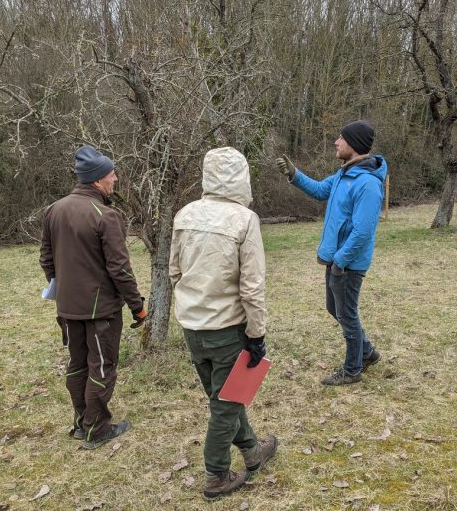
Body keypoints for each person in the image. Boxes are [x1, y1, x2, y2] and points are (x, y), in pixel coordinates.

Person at [169, 147, 278, 500]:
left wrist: (192, 306)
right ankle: (216, 476)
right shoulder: (244, 219)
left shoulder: (185, 214)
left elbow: (174, 272)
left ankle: (252, 450)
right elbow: (253, 286)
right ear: (243, 178)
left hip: (192, 328)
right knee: (225, 405)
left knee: (226, 399)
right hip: (228, 330)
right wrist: (257, 333)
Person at [39, 145, 147, 450]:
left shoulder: (53, 210)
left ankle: (82, 423)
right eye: (112, 175)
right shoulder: (106, 215)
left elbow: (46, 260)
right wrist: (137, 307)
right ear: (98, 179)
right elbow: (120, 270)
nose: (115, 179)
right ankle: (96, 431)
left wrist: (63, 288)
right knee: (101, 367)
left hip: (68, 308)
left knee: (78, 364)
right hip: (101, 312)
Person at [276, 120, 387, 386]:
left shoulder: (368, 184)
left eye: (341, 138)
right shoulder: (343, 175)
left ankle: (352, 370)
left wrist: (340, 261)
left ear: (355, 144)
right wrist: (294, 174)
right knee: (334, 307)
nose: (336, 142)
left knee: (347, 314)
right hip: (337, 260)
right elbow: (319, 190)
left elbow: (363, 232)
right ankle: (367, 352)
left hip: (348, 263)